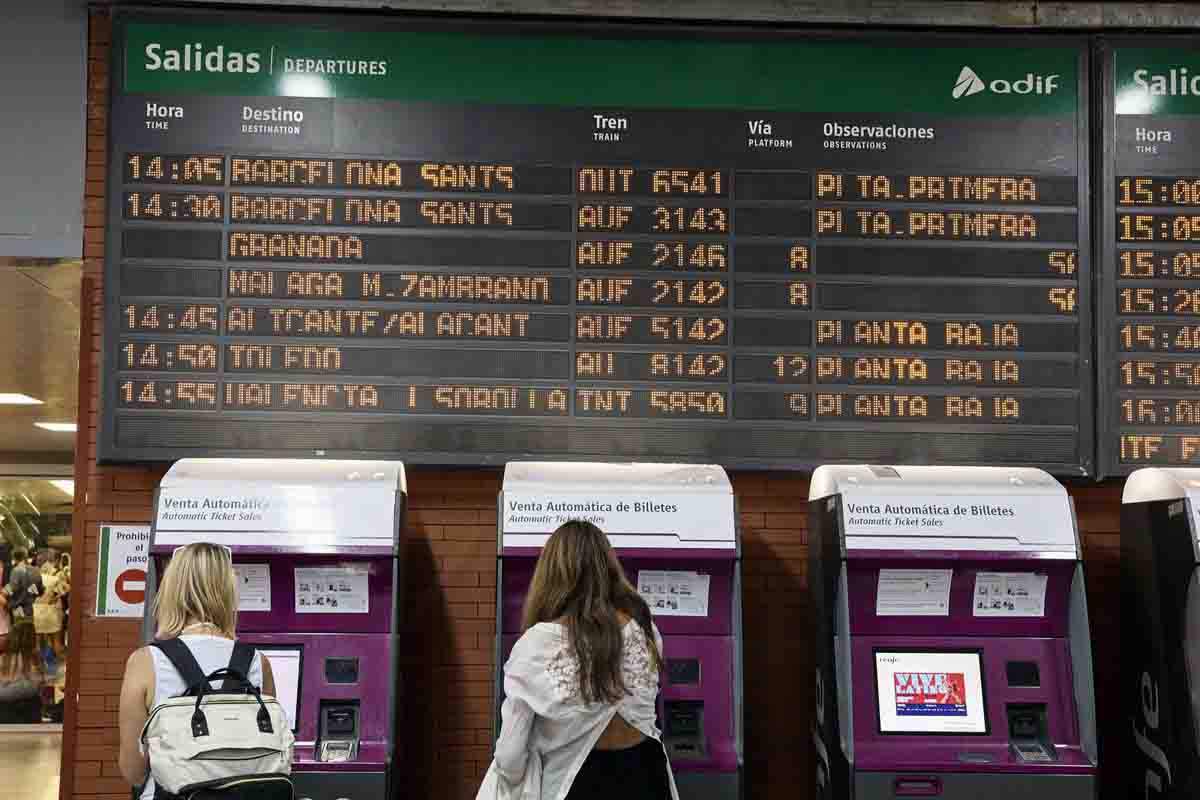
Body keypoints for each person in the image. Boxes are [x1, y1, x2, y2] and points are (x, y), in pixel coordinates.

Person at [478, 520, 677, 800]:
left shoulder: (538, 644)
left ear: (552, 573)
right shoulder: (645, 631)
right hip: (648, 777)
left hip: (580, 786)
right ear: (608, 568)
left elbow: (510, 757)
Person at [118, 543, 276, 798]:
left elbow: (132, 770)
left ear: (171, 590)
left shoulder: (146, 661)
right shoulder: (257, 662)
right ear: (228, 592)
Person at [5, 548, 43, 680]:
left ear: (14, 558)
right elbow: (40, 590)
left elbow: (12, 588)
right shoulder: (36, 571)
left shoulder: (16, 571)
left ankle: (11, 677)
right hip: (30, 611)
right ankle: (32, 675)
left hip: (18, 611)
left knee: (15, 647)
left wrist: (4, 592)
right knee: (29, 645)